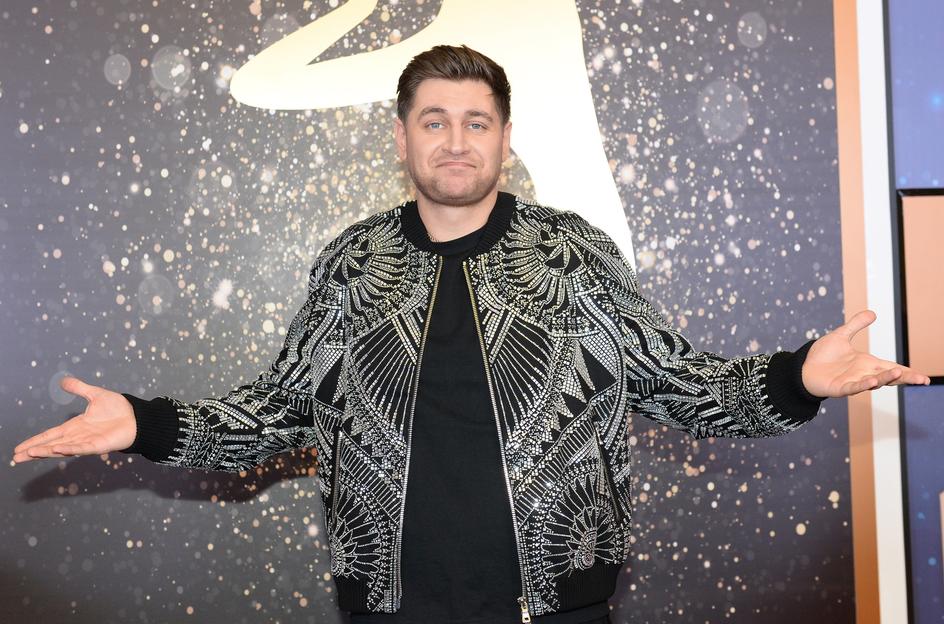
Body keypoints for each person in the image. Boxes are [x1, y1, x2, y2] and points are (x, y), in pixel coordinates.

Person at [12, 45, 931, 623]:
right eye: (435, 121)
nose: (456, 141)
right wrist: (145, 423)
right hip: (388, 605)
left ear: (504, 137)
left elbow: (679, 383)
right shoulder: (353, 262)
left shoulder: (573, 252)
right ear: (402, 138)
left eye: (476, 122)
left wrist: (798, 378)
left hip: (558, 605)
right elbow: (280, 410)